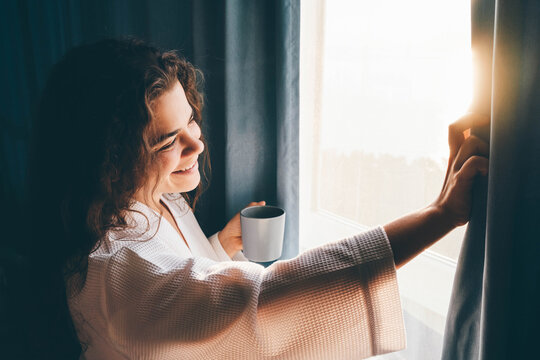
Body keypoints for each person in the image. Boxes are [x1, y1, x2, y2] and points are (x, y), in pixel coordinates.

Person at [24, 38, 489, 359]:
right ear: (109, 158)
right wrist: (439, 216)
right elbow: (255, 303)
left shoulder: (149, 198)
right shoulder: (115, 264)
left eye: (191, 120)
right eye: (169, 141)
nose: (197, 143)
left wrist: (218, 247)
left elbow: (182, 287)